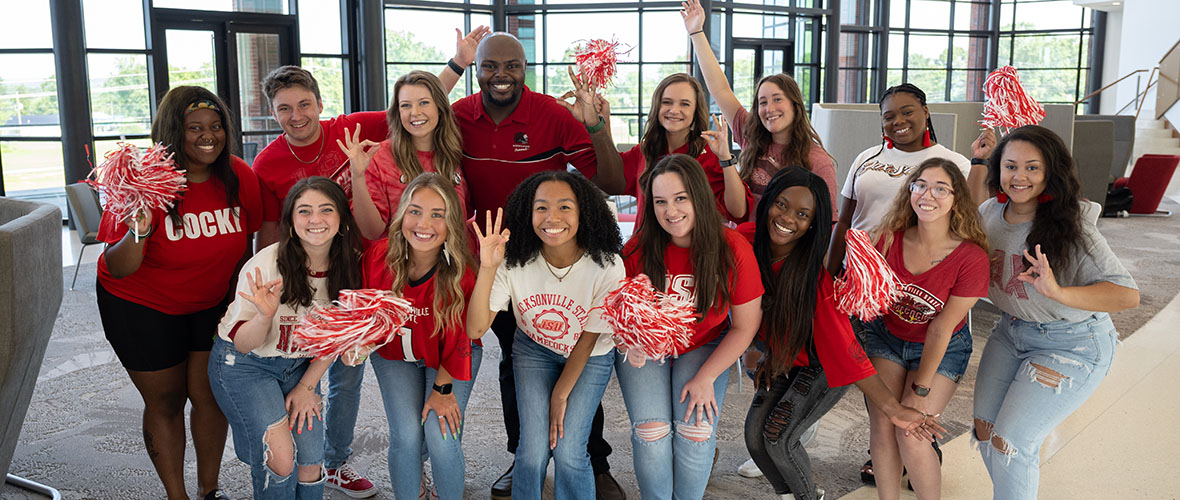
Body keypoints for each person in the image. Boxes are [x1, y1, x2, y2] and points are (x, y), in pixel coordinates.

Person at [254, 29, 487, 494]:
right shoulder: (274, 162)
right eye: (284, 108)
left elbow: (420, 101)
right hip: (368, 276)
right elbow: (371, 230)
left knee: (417, 403)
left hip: (445, 281)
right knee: (341, 365)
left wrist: (458, 64)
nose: (296, 116)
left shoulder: (371, 131)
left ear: (319, 104)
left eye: (304, 104)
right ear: (273, 113)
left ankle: (368, 459)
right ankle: (330, 459)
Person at [451, 31, 627, 499]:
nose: (501, 75)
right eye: (490, 65)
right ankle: (522, 455)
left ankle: (593, 459)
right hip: (500, 263)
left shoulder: (550, 113)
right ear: (478, 69)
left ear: (525, 68)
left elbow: (609, 180)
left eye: (512, 65)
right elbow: (414, 118)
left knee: (581, 353)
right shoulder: (459, 115)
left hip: (559, 254)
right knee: (516, 363)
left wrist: (594, 127)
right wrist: (453, 64)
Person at [95, 85, 260, 500]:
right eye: (194, 128)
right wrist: (143, 222)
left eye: (216, 125)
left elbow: (249, 243)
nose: (209, 135)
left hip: (210, 301)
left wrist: (241, 303)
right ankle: (177, 495)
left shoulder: (239, 174)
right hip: (141, 305)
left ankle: (209, 490)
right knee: (167, 400)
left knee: (210, 395)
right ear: (173, 131)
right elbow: (119, 264)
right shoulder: (145, 180)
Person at [738, 167, 937, 500]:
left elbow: (845, 351)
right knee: (755, 436)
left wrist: (892, 407)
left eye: (803, 214)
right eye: (782, 205)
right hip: (785, 354)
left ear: (813, 224)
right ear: (768, 200)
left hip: (823, 362)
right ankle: (794, 494)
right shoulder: (744, 240)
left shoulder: (815, 281)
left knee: (777, 436)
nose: (788, 218)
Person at [826, 83, 981, 485]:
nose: (899, 121)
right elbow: (845, 219)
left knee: (913, 419)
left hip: (930, 289)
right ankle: (886, 467)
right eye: (889, 115)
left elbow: (973, 208)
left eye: (908, 111)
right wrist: (832, 270)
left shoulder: (951, 162)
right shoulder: (867, 158)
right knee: (882, 410)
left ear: (926, 112)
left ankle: (921, 457)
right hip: (872, 290)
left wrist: (983, 160)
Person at [972, 126, 1138, 499]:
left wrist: (1057, 291)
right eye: (1011, 166)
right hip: (1010, 331)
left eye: (1033, 168)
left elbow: (1127, 295)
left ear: (1050, 172)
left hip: (1071, 343)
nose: (1020, 177)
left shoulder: (1072, 222)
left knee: (1011, 442)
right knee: (985, 430)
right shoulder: (990, 212)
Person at [466, 170, 625, 500]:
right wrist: (487, 267)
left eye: (565, 207)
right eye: (541, 208)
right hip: (534, 349)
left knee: (568, 452)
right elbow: (475, 328)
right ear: (528, 213)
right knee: (532, 451)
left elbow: (590, 338)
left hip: (589, 353)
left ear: (584, 212)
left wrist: (560, 394)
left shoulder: (608, 266)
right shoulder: (514, 260)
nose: (552, 217)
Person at [616, 154, 763, 499]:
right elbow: (620, 316)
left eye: (681, 198)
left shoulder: (732, 248)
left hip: (704, 344)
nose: (671, 211)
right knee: (652, 433)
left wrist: (706, 377)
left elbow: (745, 326)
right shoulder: (637, 248)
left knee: (696, 430)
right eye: (660, 202)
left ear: (698, 196)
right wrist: (629, 344)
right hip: (648, 346)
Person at [209, 177, 361, 499]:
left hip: (297, 367)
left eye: (326, 210)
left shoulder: (349, 264)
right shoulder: (267, 263)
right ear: (291, 222)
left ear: (341, 219)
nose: (315, 219)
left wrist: (308, 386)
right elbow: (242, 343)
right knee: (281, 460)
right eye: (304, 211)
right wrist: (265, 315)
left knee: (310, 461)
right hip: (245, 365)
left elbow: (335, 336)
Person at [860, 158, 990, 499]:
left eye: (940, 188)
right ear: (910, 191)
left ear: (956, 198)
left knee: (912, 432)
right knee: (885, 425)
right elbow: (870, 300)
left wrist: (918, 392)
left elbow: (940, 329)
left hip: (943, 346)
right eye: (920, 185)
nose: (927, 195)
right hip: (887, 337)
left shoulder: (971, 257)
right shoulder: (888, 239)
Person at [362, 173, 480, 500]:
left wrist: (442, 390)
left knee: (440, 434)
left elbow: (460, 339)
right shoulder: (378, 257)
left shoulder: (461, 271)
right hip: (395, 356)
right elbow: (366, 317)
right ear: (402, 215)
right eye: (415, 211)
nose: (423, 223)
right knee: (405, 436)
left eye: (437, 214)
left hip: (450, 356)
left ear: (451, 224)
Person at [680, 0, 837, 206]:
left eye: (777, 99)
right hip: (742, 237)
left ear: (795, 106)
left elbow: (828, 223)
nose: (769, 109)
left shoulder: (818, 161)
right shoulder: (751, 133)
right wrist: (696, 33)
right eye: (762, 102)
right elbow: (720, 90)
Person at [571, 71, 752, 223]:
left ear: (696, 112)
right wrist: (601, 123)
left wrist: (725, 159)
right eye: (667, 102)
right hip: (646, 253)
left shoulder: (708, 156)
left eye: (684, 104)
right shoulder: (645, 151)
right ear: (657, 106)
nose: (674, 110)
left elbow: (738, 212)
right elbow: (613, 179)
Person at [339, 70, 470, 243]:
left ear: (440, 107)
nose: (414, 112)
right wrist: (357, 175)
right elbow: (370, 231)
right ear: (398, 112)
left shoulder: (456, 153)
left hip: (452, 262)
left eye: (423, 103)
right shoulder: (380, 157)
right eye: (406, 105)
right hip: (399, 264)